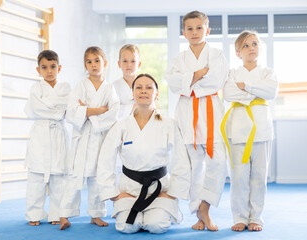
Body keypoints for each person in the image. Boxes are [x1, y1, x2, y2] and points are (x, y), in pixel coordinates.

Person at [97, 74, 191, 234]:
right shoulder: (122, 125)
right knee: (127, 227)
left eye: (149, 88)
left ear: (156, 93)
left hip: (159, 189)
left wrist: (174, 193)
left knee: (157, 226)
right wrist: (113, 194)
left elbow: (181, 158)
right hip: (129, 189)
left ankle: (165, 211)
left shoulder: (169, 124)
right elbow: (105, 159)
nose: (143, 91)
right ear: (132, 93)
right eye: (138, 87)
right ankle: (130, 211)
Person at [164, 10, 229, 231]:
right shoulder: (178, 59)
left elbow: (216, 80)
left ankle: (205, 206)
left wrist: (190, 80)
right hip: (187, 112)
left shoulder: (217, 54)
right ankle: (199, 214)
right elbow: (172, 83)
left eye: (199, 28)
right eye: (190, 28)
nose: (194, 32)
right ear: (183, 32)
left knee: (218, 162)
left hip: (211, 110)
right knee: (193, 167)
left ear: (207, 30)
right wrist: (199, 73)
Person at [220, 30, 278, 232]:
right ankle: (240, 217)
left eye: (254, 44)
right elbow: (228, 93)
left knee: (259, 177)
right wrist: (254, 91)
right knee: (238, 177)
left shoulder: (268, 72)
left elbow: (270, 91)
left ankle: (256, 218)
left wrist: (246, 87)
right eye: (245, 45)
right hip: (238, 131)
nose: (251, 48)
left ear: (260, 47)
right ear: (238, 53)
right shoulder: (233, 73)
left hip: (262, 130)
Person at [59, 46, 119, 230]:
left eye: (97, 61)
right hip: (82, 139)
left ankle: (96, 214)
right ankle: (64, 213)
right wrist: (99, 110)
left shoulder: (110, 88)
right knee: (74, 176)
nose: (93, 65)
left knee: (97, 178)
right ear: (85, 65)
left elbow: (113, 113)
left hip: (100, 139)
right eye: (89, 62)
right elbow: (72, 111)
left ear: (105, 63)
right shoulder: (81, 85)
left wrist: (86, 111)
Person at [24, 50, 71, 226]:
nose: (49, 71)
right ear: (39, 70)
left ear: (59, 68)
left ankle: (57, 214)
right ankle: (34, 214)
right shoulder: (36, 88)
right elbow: (36, 109)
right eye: (44, 67)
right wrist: (59, 110)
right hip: (40, 134)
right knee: (36, 176)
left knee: (59, 178)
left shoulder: (65, 87)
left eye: (53, 67)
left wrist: (53, 108)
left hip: (58, 134)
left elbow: (68, 106)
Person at [113, 44, 141, 119]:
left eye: (133, 61)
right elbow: (112, 112)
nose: (129, 64)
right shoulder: (113, 87)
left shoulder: (145, 84)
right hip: (122, 127)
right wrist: (135, 106)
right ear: (119, 64)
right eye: (125, 61)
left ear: (139, 64)